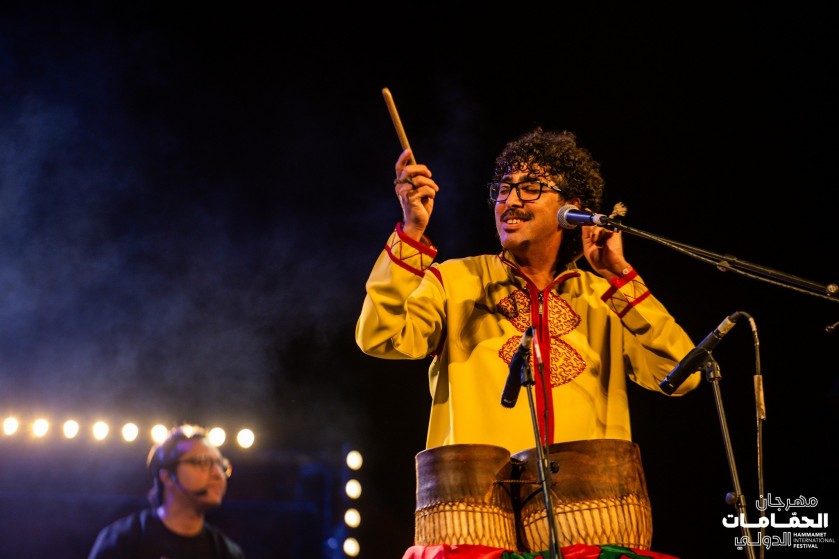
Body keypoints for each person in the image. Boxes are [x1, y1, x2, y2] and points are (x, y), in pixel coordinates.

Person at [355, 128, 701, 553]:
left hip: (590, 522)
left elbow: (682, 374)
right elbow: (379, 335)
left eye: (531, 188)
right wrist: (411, 232)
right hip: (475, 518)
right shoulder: (455, 281)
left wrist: (621, 276)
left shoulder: (605, 299)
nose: (511, 201)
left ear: (573, 209)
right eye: (503, 189)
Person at [88, 424, 245, 559]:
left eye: (221, 465)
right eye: (203, 462)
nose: (218, 474)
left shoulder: (227, 552)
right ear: (168, 476)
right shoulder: (123, 539)